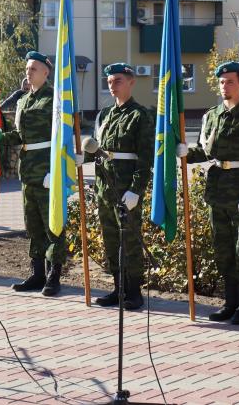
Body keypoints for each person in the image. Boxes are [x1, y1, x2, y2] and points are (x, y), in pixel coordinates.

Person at [180, 61, 239, 325]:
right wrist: (184, 154)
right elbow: (205, 150)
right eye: (221, 82)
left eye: (229, 81)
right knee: (223, 249)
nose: (224, 86)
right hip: (217, 191)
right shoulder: (211, 115)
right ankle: (230, 302)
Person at [87, 62, 154, 310]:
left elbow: (145, 158)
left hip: (126, 189)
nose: (112, 86)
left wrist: (136, 190)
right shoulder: (104, 115)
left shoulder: (140, 115)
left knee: (130, 241)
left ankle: (134, 291)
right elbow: (100, 151)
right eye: (109, 82)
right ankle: (118, 288)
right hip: (106, 188)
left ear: (131, 82)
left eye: (118, 81)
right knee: (111, 240)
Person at [1, 51, 64, 295]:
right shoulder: (24, 100)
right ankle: (37, 273)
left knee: (52, 225)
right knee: (33, 225)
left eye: (34, 69)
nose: (29, 72)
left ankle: (53, 275)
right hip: (28, 171)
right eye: (27, 68)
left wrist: (55, 170)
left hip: (46, 172)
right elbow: (19, 136)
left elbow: (62, 138)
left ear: (46, 72)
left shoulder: (54, 99)